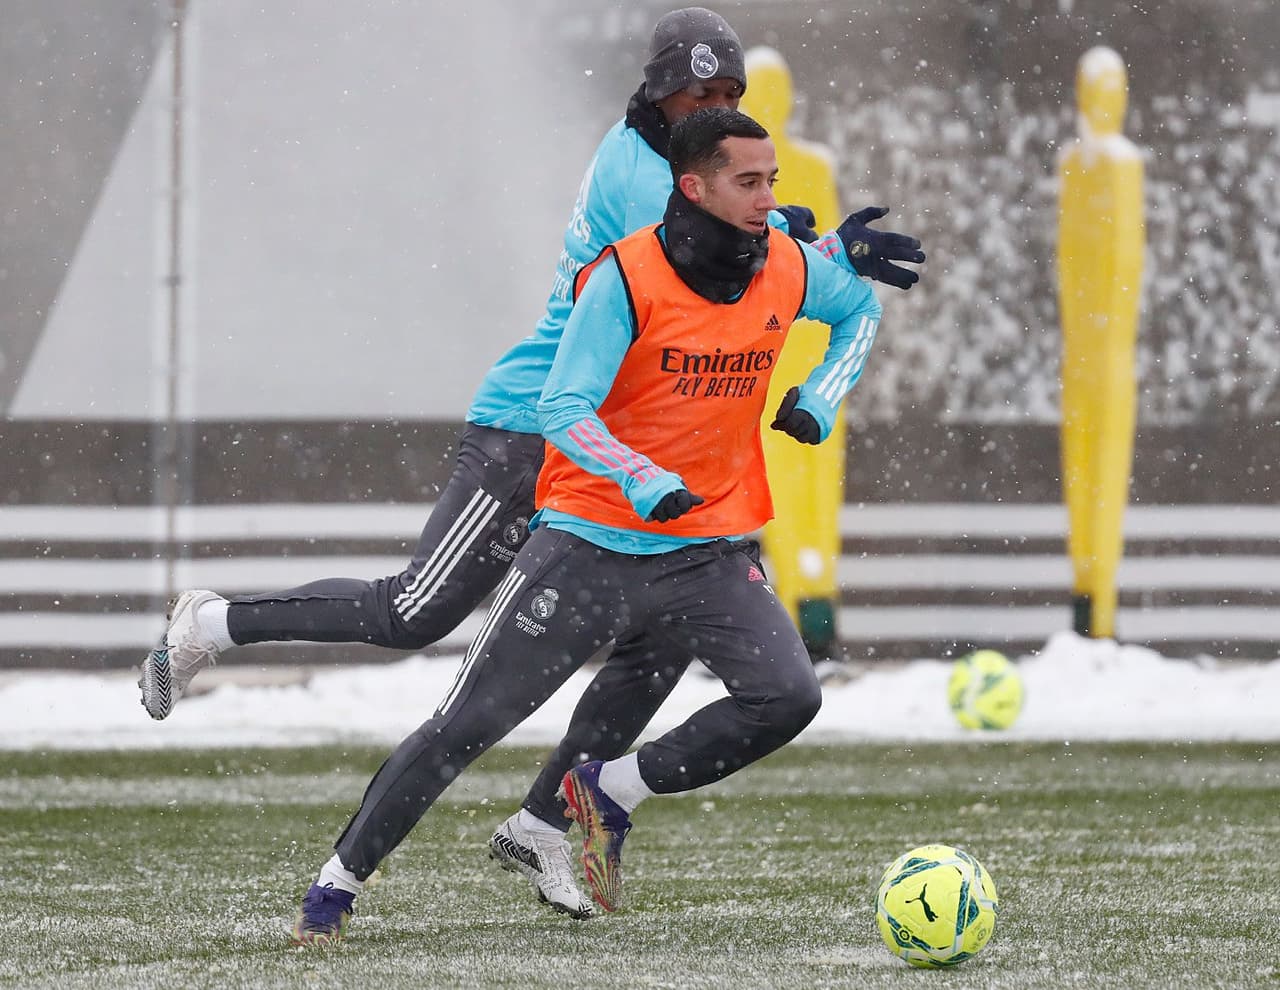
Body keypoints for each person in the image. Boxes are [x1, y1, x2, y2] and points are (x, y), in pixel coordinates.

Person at [139, 5, 920, 923]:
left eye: (725, 93)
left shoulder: (686, 162)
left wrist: (819, 261)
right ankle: (217, 625)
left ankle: (553, 819)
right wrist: (823, 246)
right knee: (415, 613)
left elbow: (758, 242)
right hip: (533, 427)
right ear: (657, 92)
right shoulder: (643, 177)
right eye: (695, 91)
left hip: (630, 449)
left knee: (656, 638)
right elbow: (728, 249)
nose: (709, 105)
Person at [290, 104, 883, 943]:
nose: (766, 200)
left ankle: (604, 793)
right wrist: (640, 477)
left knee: (788, 696)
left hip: (706, 552)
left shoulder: (785, 264)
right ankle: (335, 886)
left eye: (770, 182)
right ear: (694, 186)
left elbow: (861, 311)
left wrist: (817, 397)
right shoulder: (625, 277)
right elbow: (562, 405)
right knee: (467, 727)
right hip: (586, 546)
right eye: (747, 183)